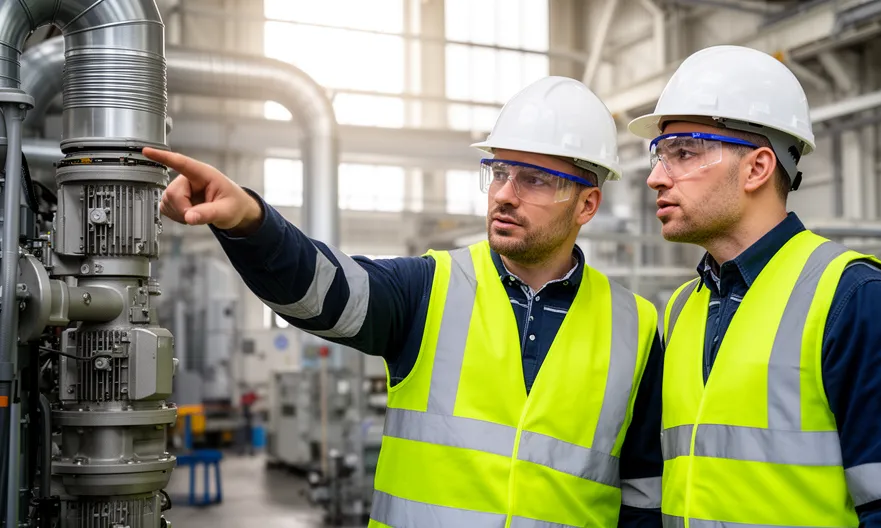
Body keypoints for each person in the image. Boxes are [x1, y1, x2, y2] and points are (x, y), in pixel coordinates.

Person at [145, 76, 664, 527]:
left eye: (534, 179)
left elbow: (644, 494)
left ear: (587, 204)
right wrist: (251, 222)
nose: (505, 194)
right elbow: (324, 290)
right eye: (499, 172)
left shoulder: (636, 327)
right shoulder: (429, 288)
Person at [628, 45, 881, 527]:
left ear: (758, 168)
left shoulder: (853, 296)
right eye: (660, 155)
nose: (657, 178)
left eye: (683, 152)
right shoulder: (684, 307)